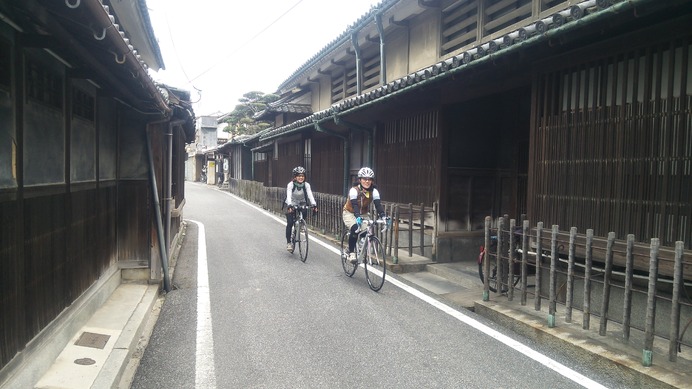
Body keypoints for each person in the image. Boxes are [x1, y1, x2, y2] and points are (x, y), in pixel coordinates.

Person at [342, 167, 386, 264]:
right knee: (355, 228)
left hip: (364, 214)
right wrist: (357, 217)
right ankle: (351, 252)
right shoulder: (354, 190)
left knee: (367, 232)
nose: (367, 181)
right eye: (364, 179)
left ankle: (361, 249)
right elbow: (354, 205)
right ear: (360, 180)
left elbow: (378, 205)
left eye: (369, 179)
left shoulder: (374, 191)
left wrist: (383, 216)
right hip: (349, 212)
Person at [284, 166, 318, 252]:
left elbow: (310, 195)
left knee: (304, 209)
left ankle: (301, 224)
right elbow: (288, 195)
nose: (301, 177)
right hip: (291, 202)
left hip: (302, 201)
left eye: (302, 176)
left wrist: (314, 204)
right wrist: (289, 205)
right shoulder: (290, 185)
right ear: (295, 177)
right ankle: (288, 243)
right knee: (290, 222)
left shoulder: (306, 185)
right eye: (299, 176)